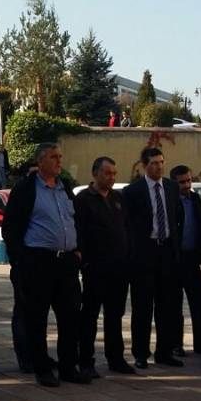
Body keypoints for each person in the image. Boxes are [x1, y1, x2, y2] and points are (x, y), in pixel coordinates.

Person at [2, 143, 88, 387]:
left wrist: (78, 251)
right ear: (40, 162)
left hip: (66, 262)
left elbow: (75, 221)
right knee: (37, 319)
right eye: (53, 157)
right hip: (38, 262)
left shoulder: (64, 187)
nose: (59, 161)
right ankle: (42, 368)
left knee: (71, 317)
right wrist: (21, 260)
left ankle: (68, 367)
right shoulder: (26, 189)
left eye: (60, 156)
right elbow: (11, 228)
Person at [120, 147, 182, 369]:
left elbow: (177, 218)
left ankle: (164, 351)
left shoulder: (172, 187)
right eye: (154, 163)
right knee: (143, 307)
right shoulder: (132, 191)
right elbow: (126, 224)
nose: (159, 167)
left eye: (161, 162)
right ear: (145, 165)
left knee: (167, 306)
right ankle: (140, 353)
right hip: (144, 253)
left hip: (167, 252)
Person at [75, 156, 134, 375]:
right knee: (90, 316)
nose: (111, 177)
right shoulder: (83, 199)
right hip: (95, 267)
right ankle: (86, 361)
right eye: (107, 173)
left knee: (115, 315)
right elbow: (78, 231)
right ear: (95, 173)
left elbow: (127, 227)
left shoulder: (118, 198)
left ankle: (115, 358)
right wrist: (84, 260)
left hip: (119, 267)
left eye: (114, 174)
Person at [169, 165, 201, 356]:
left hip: (193, 258)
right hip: (174, 260)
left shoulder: (194, 199)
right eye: (182, 182)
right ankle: (175, 344)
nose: (187, 185)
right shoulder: (169, 201)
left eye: (188, 181)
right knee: (173, 305)